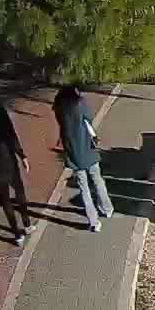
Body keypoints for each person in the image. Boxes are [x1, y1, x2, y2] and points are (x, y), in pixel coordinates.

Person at [52, 87, 114, 233]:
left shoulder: (59, 108)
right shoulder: (80, 104)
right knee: (97, 179)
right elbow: (89, 118)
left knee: (83, 187)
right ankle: (106, 208)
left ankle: (93, 222)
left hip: (73, 151)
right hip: (87, 147)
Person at [0, 93, 30, 246]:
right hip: (7, 156)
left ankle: (17, 234)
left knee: (5, 197)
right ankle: (27, 224)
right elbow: (11, 134)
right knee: (19, 190)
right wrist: (22, 155)